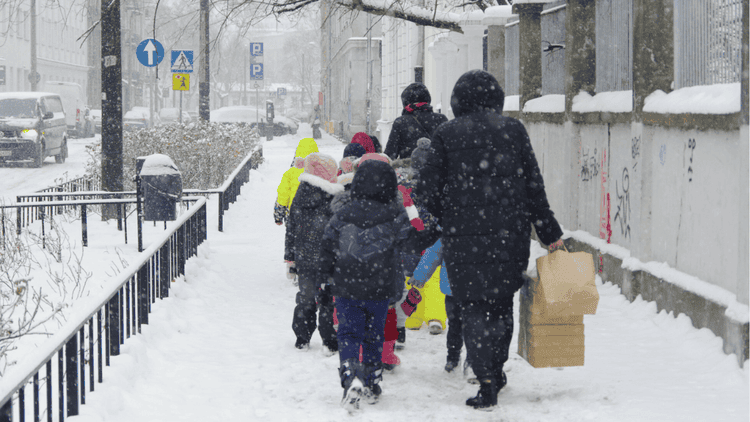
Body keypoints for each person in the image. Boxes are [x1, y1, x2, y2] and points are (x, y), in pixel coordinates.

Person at [416, 69, 564, 410]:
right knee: (500, 305)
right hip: (508, 236)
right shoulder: (513, 130)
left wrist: (450, 213)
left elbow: (426, 190)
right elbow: (533, 188)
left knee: (473, 309)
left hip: (463, 237)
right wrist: (549, 234)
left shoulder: (446, 134)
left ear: (458, 101)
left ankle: (484, 379)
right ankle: (496, 372)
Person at [319, 159, 418, 411]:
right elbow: (410, 243)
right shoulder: (394, 214)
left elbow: (328, 245)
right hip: (380, 286)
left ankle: (351, 373)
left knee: (348, 333)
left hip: (346, 285)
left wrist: (327, 277)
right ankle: (372, 382)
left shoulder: (343, 213)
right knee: (374, 335)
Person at [284, 153, 344, 352]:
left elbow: (291, 227)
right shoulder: (334, 199)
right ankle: (330, 340)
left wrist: (290, 257)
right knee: (327, 300)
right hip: (329, 259)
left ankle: (302, 337)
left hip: (304, 257)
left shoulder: (300, 196)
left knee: (306, 298)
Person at [384, 82, 448, 160]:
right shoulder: (441, 119)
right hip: (436, 169)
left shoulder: (401, 122)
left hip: (410, 170)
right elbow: (449, 149)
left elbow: (390, 155)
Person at [274, 137, 319, 226]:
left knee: (294, 238)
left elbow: (283, 195)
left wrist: (278, 216)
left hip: (294, 214)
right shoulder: (321, 172)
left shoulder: (290, 173)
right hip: (315, 216)